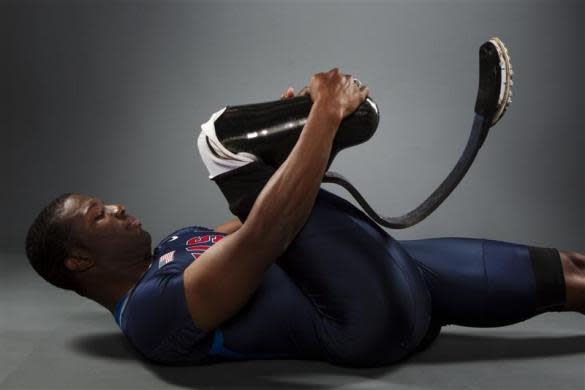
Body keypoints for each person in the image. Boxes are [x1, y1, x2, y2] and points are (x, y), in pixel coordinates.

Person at [25, 68, 585, 368]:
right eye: (100, 215)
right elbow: (267, 235)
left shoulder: (177, 241)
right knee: (219, 145)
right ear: (79, 259)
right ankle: (245, 151)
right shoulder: (149, 313)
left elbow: (282, 217)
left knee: (568, 271)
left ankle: (271, 149)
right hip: (358, 319)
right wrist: (320, 119)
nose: (118, 207)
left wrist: (301, 152)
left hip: (397, 284)